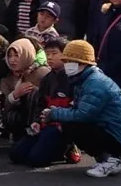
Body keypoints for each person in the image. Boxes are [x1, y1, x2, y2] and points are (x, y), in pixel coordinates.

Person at [42, 40, 121, 178]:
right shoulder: (84, 79)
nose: (67, 64)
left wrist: (54, 113)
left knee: (72, 125)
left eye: (70, 61)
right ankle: (107, 159)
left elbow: (83, 115)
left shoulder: (95, 83)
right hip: (112, 129)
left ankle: (111, 159)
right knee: (70, 123)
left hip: (119, 136)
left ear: (82, 63)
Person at [9, 38, 76, 168]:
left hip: (61, 126)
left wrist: (64, 126)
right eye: (47, 54)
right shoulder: (47, 79)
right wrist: (36, 122)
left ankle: (68, 148)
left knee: (36, 160)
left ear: (65, 54)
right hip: (45, 124)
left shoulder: (72, 78)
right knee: (16, 155)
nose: (50, 57)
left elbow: (77, 107)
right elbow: (40, 104)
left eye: (54, 53)